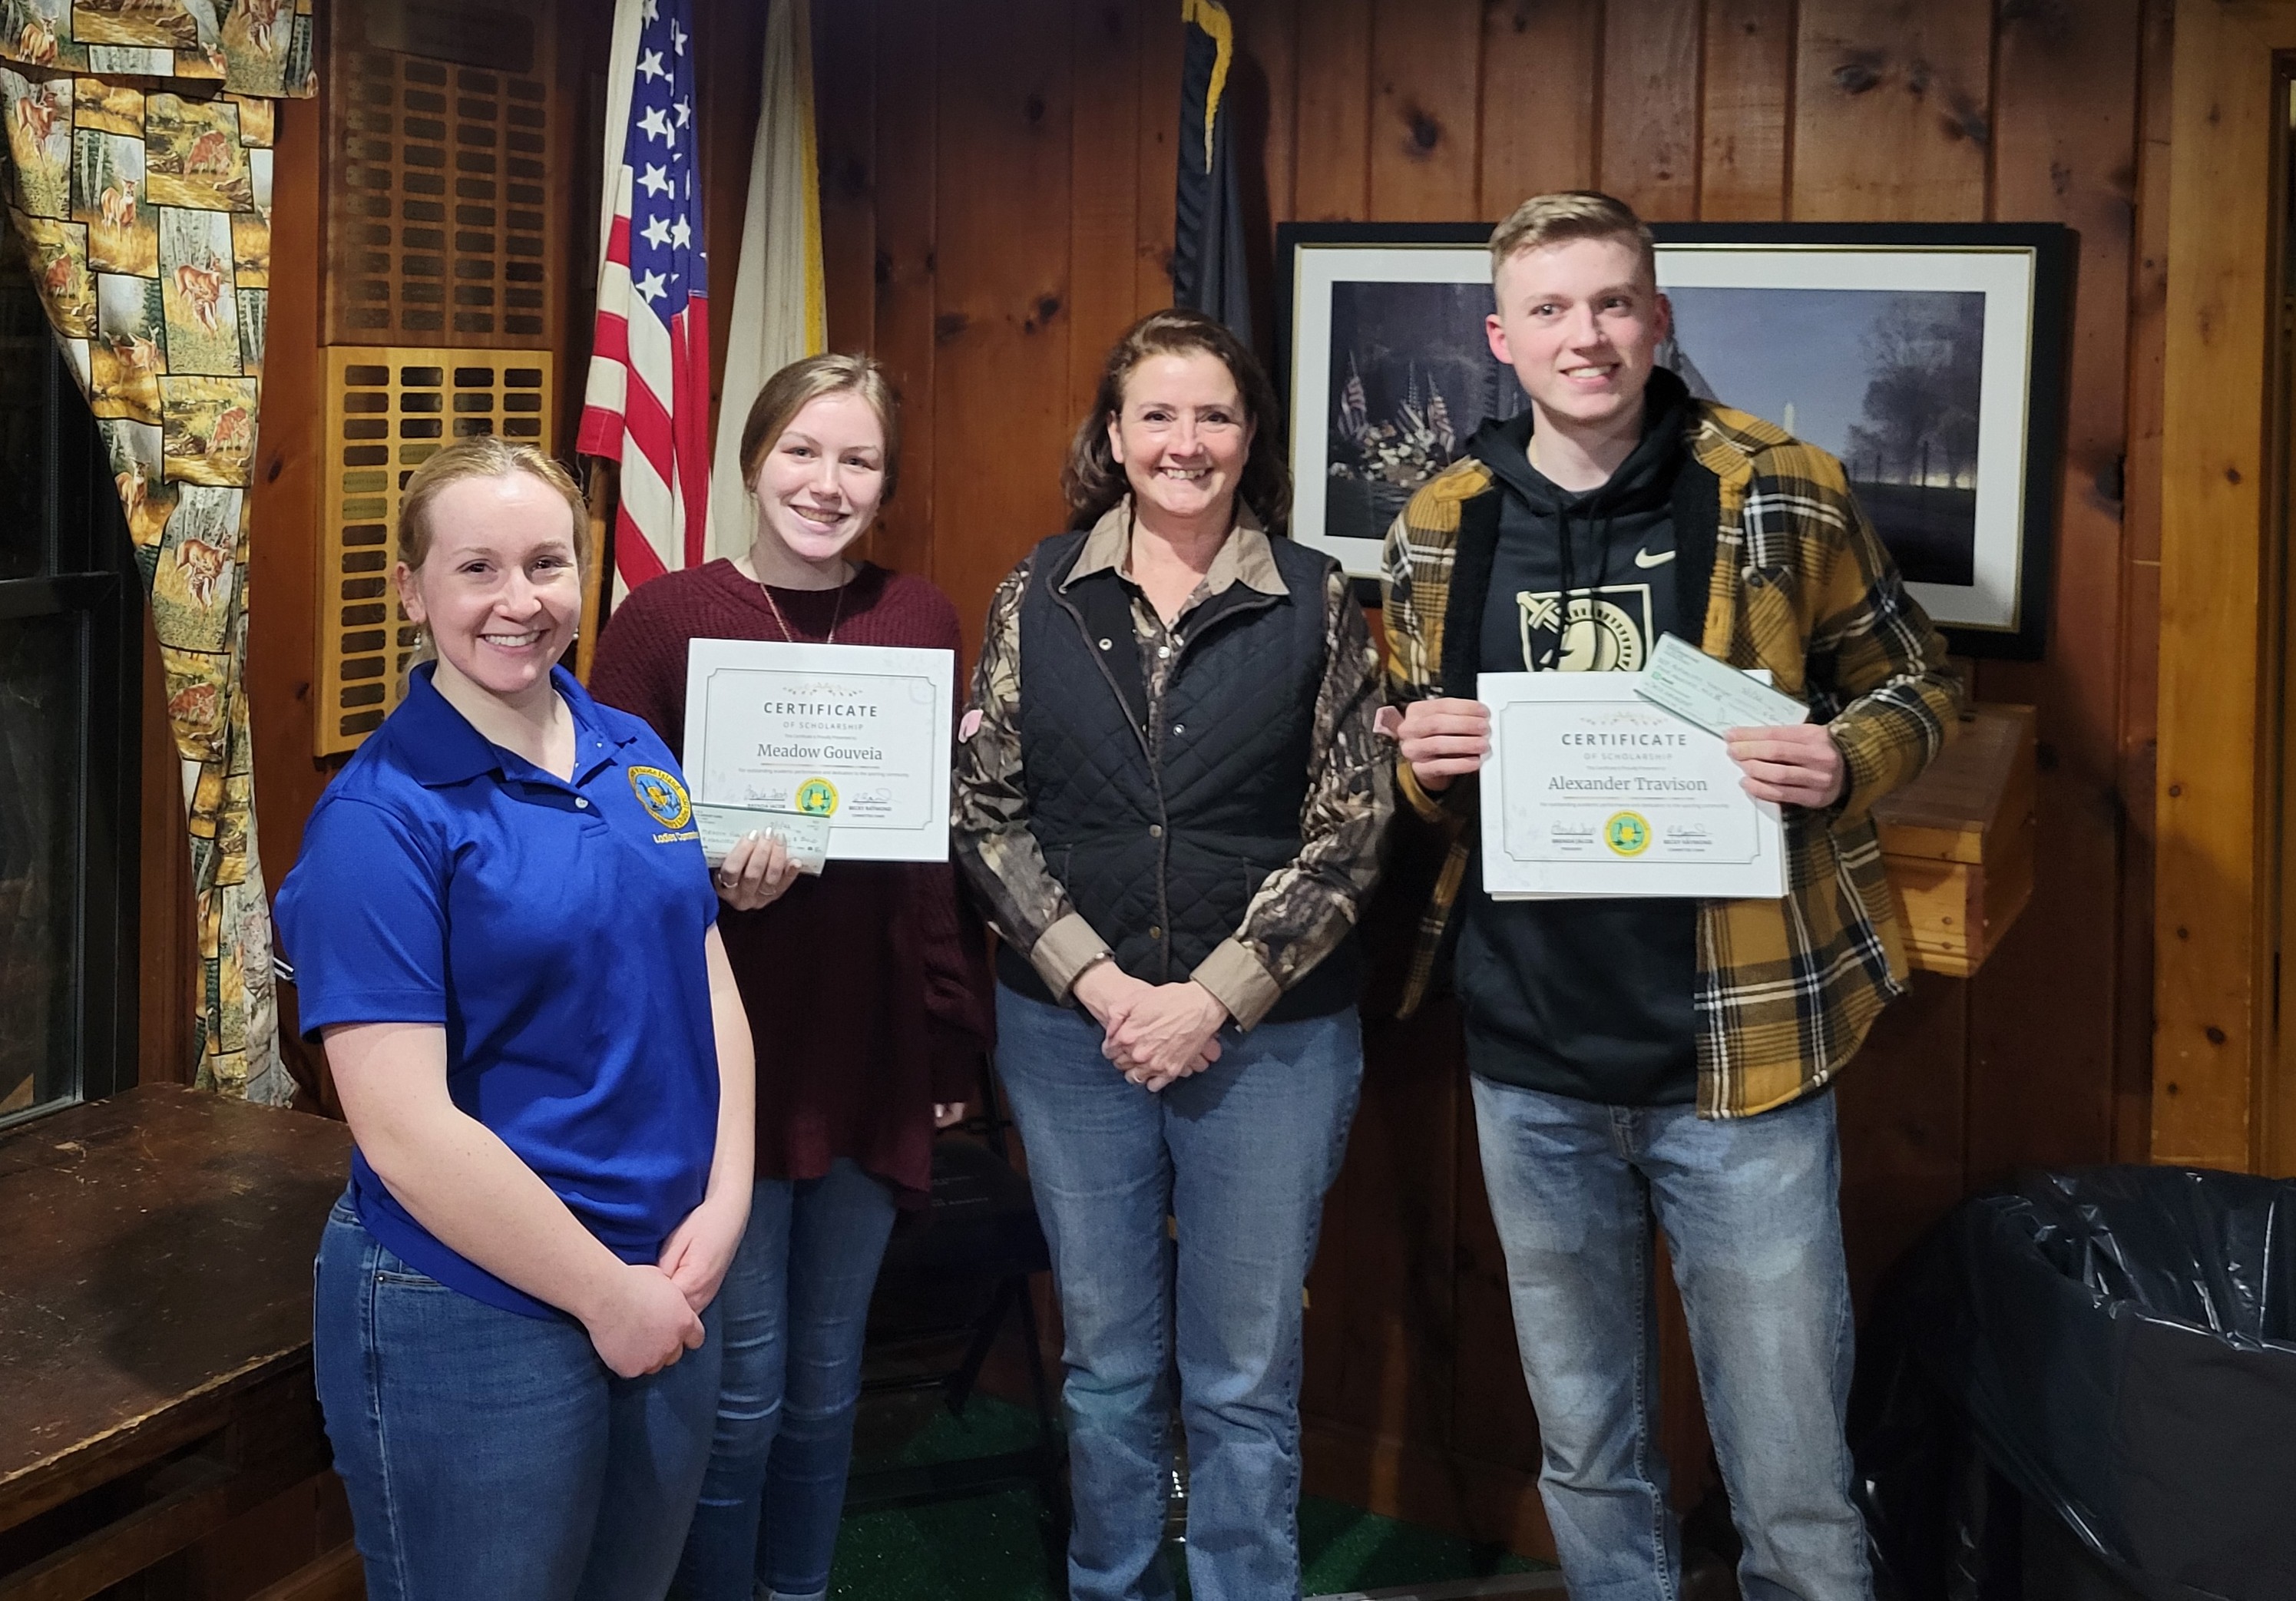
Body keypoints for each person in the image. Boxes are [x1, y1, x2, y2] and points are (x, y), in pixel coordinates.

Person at [1379, 190, 1961, 1599]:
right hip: (1527, 1059)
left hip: (1741, 1054)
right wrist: (1419, 760)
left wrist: (1841, 756)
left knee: (1793, 1480)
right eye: (1551, 310)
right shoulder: (1441, 518)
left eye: (1611, 303)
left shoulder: (1779, 484)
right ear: (1499, 339)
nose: (1585, 335)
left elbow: (1918, 681)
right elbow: (1411, 747)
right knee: (1585, 1449)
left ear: (1658, 319)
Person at [952, 306, 1391, 1601]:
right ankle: (1116, 1583)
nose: (1184, 442)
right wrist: (1099, 982)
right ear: (1112, 435)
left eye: (1213, 415)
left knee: (1244, 1373)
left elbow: (1353, 831)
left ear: (1249, 437)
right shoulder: (1036, 593)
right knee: (1108, 1363)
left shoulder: (1318, 598)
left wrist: (1211, 998)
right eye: (1157, 414)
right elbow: (986, 812)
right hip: (1066, 1032)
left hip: (1269, 1040)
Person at [274, 437, 755, 1601]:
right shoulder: (377, 821)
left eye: (547, 563)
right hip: (477, 1304)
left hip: (669, 1273)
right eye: (476, 568)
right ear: (412, 590)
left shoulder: (631, 748)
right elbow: (404, 1128)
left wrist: (727, 1200)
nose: (518, 601)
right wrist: (604, 1292)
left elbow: (707, 977)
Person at [587, 352, 992, 1601]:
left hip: (870, 1050)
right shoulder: (659, 622)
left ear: (886, 480)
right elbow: (600, 853)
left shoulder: (918, 616)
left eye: (858, 459)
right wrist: (705, 880)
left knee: (825, 1391)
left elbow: (932, 866)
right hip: (720, 1063)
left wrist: (945, 1040)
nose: (827, 482)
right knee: (744, 1392)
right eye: (804, 451)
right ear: (752, 459)